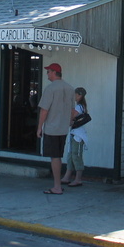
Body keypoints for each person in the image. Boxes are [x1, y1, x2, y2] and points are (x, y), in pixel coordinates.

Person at [37, 63, 74, 195]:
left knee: (54, 157)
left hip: (52, 128)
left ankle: (57, 186)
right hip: (63, 128)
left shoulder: (50, 89)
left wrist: (39, 128)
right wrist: (69, 122)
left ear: (53, 72)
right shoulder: (70, 88)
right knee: (58, 156)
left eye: (48, 72)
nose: (47, 74)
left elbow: (44, 110)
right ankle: (58, 184)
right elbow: (72, 111)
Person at [60, 87, 88, 187]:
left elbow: (70, 118)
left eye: (75, 94)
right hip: (74, 133)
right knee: (71, 155)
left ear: (79, 95)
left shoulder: (79, 107)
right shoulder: (81, 107)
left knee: (76, 155)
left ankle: (78, 179)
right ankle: (67, 176)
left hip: (78, 135)